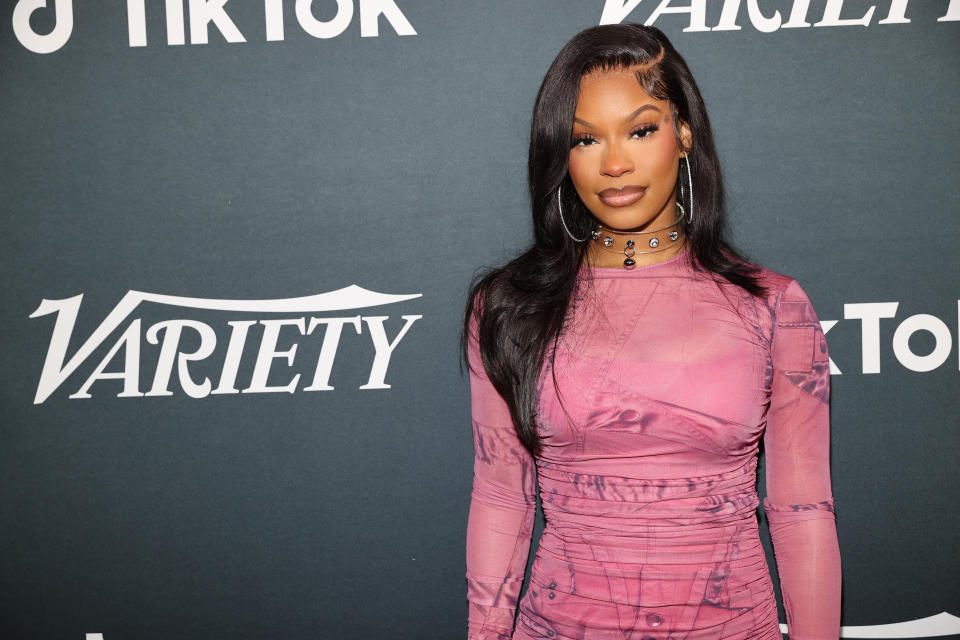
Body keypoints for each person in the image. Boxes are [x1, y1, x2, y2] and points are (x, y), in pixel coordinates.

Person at [460, 23, 841, 640]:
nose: (615, 163)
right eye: (586, 139)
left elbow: (803, 512)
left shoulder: (774, 306)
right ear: (561, 153)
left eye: (641, 130)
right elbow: (501, 498)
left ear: (683, 133)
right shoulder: (508, 306)